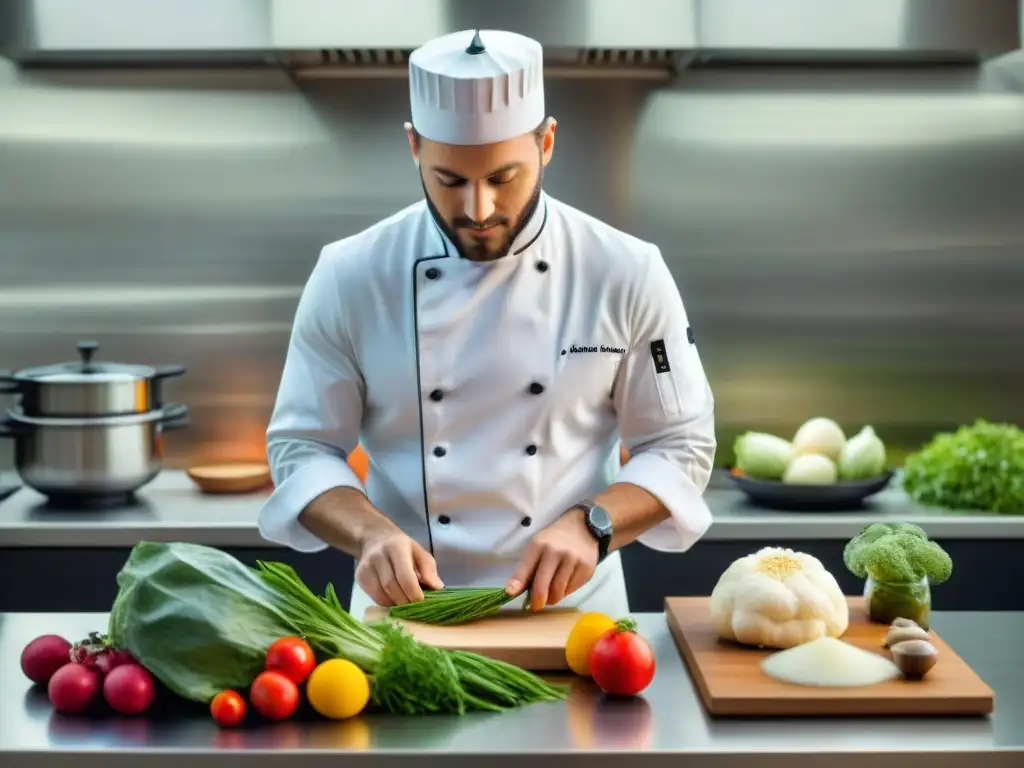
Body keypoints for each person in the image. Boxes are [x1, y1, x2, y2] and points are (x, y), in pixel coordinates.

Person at [258, 29, 716, 620]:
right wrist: (369, 533)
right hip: (403, 620)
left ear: (546, 143)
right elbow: (302, 446)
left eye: (503, 178)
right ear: (414, 147)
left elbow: (680, 444)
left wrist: (593, 524)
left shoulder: (625, 271)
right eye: (450, 181)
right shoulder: (351, 274)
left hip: (573, 621)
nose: (478, 210)